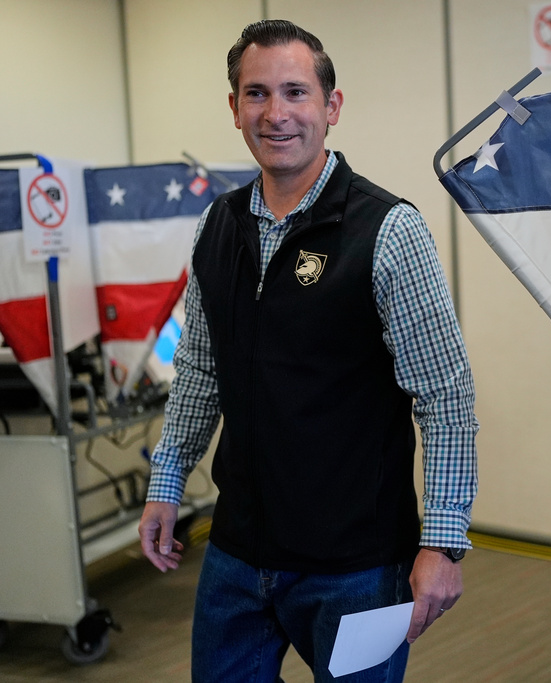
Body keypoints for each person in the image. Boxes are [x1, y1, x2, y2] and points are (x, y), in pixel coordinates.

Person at [137, 19, 478, 683]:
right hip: (237, 553)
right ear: (234, 109)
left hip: (356, 567)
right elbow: (201, 369)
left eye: (295, 92)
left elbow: (445, 393)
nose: (276, 113)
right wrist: (167, 480)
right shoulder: (219, 225)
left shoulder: (387, 229)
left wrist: (443, 540)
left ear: (332, 106)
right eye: (256, 94)